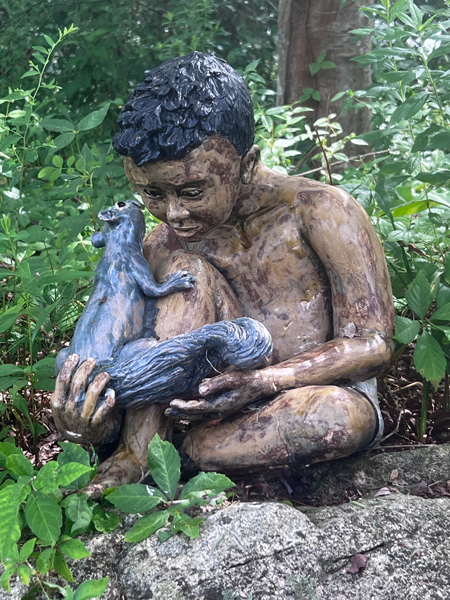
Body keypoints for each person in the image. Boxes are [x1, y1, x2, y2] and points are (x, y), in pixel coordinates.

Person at [51, 52, 394, 495]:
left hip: (302, 395)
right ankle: (142, 453)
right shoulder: (163, 244)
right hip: (196, 408)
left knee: (335, 418)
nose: (174, 213)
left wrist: (263, 381)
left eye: (192, 191)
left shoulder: (323, 213)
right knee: (184, 270)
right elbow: (137, 364)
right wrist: (87, 419)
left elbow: (373, 343)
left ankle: (183, 457)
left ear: (246, 164)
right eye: (153, 193)